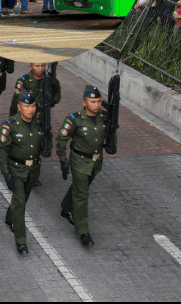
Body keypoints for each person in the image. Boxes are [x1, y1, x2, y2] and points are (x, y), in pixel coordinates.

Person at [57, 86, 117, 246]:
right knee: (82, 195)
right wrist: (63, 160)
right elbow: (62, 139)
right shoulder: (74, 119)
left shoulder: (104, 117)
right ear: (84, 102)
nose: (96, 105)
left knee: (80, 187)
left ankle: (66, 207)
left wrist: (113, 144)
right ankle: (83, 231)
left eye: (98, 102)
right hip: (79, 161)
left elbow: (112, 131)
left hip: (95, 163)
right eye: (92, 101)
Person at [0, 89, 47, 254]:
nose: (31, 109)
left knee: (23, 199)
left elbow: (46, 138)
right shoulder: (10, 124)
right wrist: (6, 174)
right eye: (27, 106)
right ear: (19, 107)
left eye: (33, 106)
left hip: (33, 169)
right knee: (20, 203)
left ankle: (9, 217)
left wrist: (48, 146)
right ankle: (21, 241)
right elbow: (2, 150)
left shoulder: (39, 122)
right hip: (16, 169)